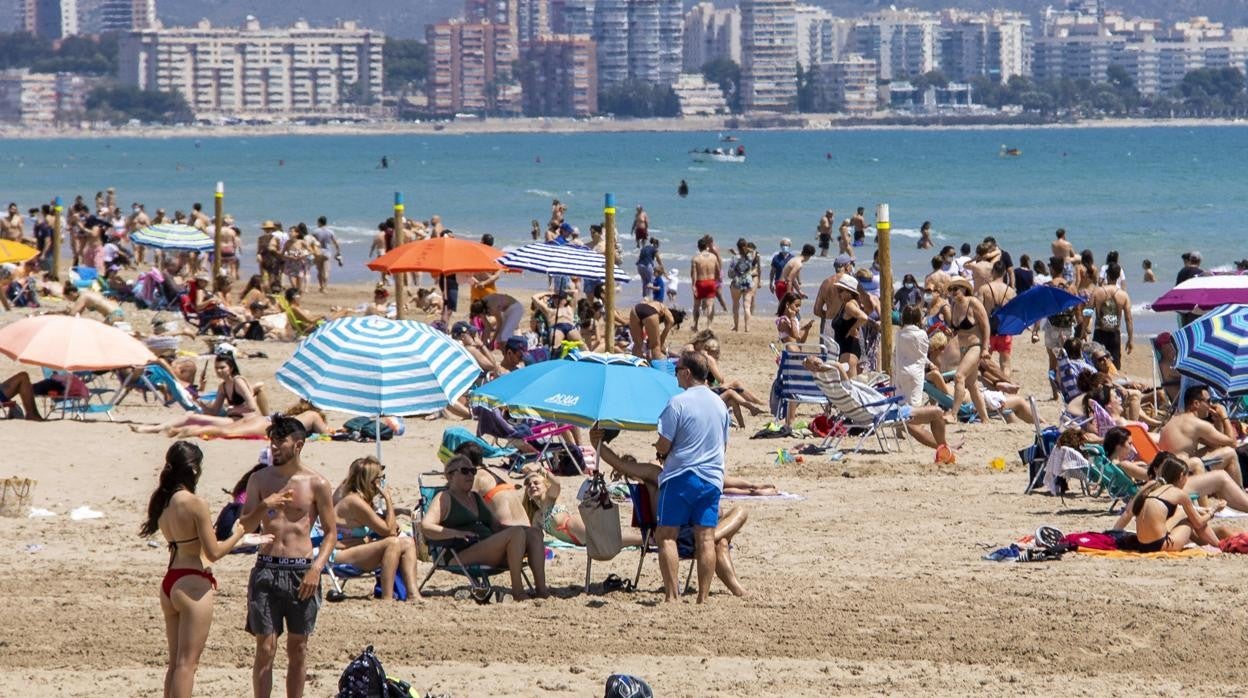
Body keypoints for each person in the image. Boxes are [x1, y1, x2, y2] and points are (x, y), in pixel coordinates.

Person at [140, 441, 270, 698]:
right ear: (195, 469)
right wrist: (240, 534)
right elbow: (214, 552)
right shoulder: (195, 503)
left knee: (175, 663)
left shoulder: (163, 501)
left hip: (171, 580)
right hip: (192, 582)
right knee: (188, 664)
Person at [240, 415, 337, 698]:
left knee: (298, 647)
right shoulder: (259, 479)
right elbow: (245, 527)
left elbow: (331, 533)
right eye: (272, 441)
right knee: (265, 647)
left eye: (280, 442)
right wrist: (264, 506)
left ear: (298, 445)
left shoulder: (317, 483)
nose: (274, 447)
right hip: (267, 568)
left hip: (301, 570)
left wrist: (317, 568)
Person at [654, 351, 730, 603]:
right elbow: (723, 445)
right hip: (711, 477)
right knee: (706, 537)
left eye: (676, 369)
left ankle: (672, 596)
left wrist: (659, 449)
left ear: (687, 372)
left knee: (666, 534)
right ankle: (703, 597)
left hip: (681, 475)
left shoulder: (678, 402)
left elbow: (664, 445)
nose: (675, 373)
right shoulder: (720, 403)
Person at [420, 454, 549, 600]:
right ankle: (518, 591)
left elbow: (497, 527)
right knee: (516, 532)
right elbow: (426, 526)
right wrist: (455, 533)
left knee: (534, 533)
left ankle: (541, 590)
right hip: (461, 553)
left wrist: (525, 532)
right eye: (464, 471)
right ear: (450, 476)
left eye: (472, 471)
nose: (470, 474)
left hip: (487, 547)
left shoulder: (475, 497)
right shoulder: (444, 498)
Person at [330, 456, 418, 602]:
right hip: (339, 557)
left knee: (408, 542)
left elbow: (386, 525)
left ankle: (413, 594)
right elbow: (388, 531)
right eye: (380, 478)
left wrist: (394, 515)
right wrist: (388, 499)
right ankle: (387, 597)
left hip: (358, 551)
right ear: (370, 481)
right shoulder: (354, 501)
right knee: (392, 542)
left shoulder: (363, 499)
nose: (383, 481)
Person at [1113, 453, 1220, 552]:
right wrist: (1214, 510)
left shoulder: (1150, 486)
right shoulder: (1179, 494)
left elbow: (1128, 512)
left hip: (1142, 545)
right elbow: (1199, 523)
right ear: (1182, 476)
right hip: (1161, 545)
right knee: (1190, 521)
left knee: (1185, 514)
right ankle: (1219, 545)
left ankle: (1214, 544)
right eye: (1187, 476)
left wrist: (1114, 532)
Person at [522, 465, 643, 548]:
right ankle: (645, 539)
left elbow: (557, 483)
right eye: (528, 485)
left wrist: (542, 470)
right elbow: (535, 537)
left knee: (610, 540)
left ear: (545, 485)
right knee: (608, 540)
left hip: (572, 525)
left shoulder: (551, 497)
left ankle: (644, 540)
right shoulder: (537, 516)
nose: (532, 486)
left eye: (536, 483)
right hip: (574, 539)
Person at [1158, 385, 1242, 488]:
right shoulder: (1198, 424)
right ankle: (1240, 492)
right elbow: (1233, 443)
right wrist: (1225, 417)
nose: (1211, 405)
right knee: (1231, 453)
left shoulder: (1176, 419)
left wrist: (1218, 422)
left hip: (1167, 469)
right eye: (1208, 401)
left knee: (1213, 449)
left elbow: (1215, 445)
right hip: (1181, 473)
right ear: (1196, 403)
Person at [947, 277, 991, 422]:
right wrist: (950, 332)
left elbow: (985, 326)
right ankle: (985, 419)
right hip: (963, 348)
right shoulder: (953, 306)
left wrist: (985, 348)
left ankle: (953, 414)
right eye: (950, 289)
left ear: (964, 289)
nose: (952, 292)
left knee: (959, 377)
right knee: (972, 385)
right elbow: (956, 329)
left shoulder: (973, 303)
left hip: (976, 346)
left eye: (955, 289)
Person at [977, 260, 1016, 379]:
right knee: (1005, 364)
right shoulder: (1011, 291)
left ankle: (990, 385)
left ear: (993, 271)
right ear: (1004, 272)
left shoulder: (984, 289)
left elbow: (978, 311)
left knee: (983, 362)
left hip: (988, 331)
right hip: (1004, 330)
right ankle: (1004, 388)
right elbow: (1013, 313)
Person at [1089, 263, 1132, 368]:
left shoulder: (1097, 292)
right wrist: (1130, 340)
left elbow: (1088, 312)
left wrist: (1084, 328)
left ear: (1107, 275)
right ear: (1118, 277)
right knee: (1114, 368)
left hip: (1099, 333)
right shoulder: (1124, 295)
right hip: (1114, 335)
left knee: (1097, 366)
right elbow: (1128, 319)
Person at [828, 276, 872, 377]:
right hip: (847, 349)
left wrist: (853, 328)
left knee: (850, 386)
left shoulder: (849, 305)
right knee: (849, 384)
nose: (838, 293)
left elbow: (864, 317)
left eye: (841, 290)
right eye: (838, 290)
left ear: (849, 292)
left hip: (848, 351)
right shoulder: (846, 304)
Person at [894, 305, 932, 408]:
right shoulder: (922, 334)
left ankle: (904, 423)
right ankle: (914, 423)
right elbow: (923, 354)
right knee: (915, 403)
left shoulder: (898, 334)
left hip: (901, 371)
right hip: (917, 372)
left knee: (901, 403)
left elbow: (896, 353)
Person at [727, 238, 759, 332]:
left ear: (737, 247)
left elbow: (730, 273)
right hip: (748, 282)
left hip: (737, 283)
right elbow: (753, 252)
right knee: (747, 306)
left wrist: (736, 253)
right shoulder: (749, 257)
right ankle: (747, 328)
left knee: (736, 305)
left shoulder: (734, 258)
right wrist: (746, 249)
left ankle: (736, 327)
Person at [690, 238, 720, 331]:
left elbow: (693, 274)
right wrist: (716, 281)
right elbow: (718, 271)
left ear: (698, 247)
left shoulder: (696, 258)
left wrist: (693, 285)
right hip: (711, 282)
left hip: (700, 282)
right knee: (710, 305)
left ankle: (695, 326)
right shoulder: (713, 257)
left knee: (696, 305)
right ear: (706, 246)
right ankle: (709, 326)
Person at [59, 283, 124, 324]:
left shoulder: (82, 297)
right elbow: (78, 313)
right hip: (119, 312)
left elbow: (72, 315)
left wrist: (61, 314)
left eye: (68, 298)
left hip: (113, 315)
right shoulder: (86, 292)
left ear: (71, 294)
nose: (70, 300)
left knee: (101, 334)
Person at [309, 217, 342, 293]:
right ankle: (325, 287)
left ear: (319, 222)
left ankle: (321, 286)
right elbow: (336, 243)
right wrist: (338, 251)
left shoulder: (315, 232)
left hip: (318, 252)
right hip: (327, 253)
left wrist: (311, 251)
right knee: (326, 271)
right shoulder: (330, 232)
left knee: (319, 271)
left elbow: (311, 242)